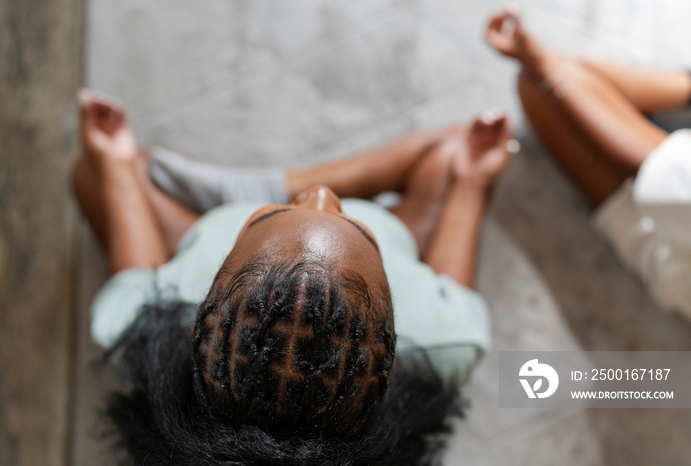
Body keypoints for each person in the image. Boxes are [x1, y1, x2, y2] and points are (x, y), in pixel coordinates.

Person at [73, 89, 511, 464]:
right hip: (393, 218)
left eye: (274, 216)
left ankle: (250, 193)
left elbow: (135, 274)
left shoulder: (144, 328)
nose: (323, 197)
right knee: (458, 152)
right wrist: (472, 184)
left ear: (195, 320)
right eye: (362, 233)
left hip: (200, 227)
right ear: (392, 362)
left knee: (97, 171)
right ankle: (267, 191)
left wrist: (114, 162)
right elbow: (454, 267)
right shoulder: (441, 344)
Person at [486, 10, 691, 318]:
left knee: (537, 89)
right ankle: (683, 90)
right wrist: (540, 62)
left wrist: (541, 63)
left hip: (668, 257)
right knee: (542, 84)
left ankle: (683, 89)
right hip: (667, 246)